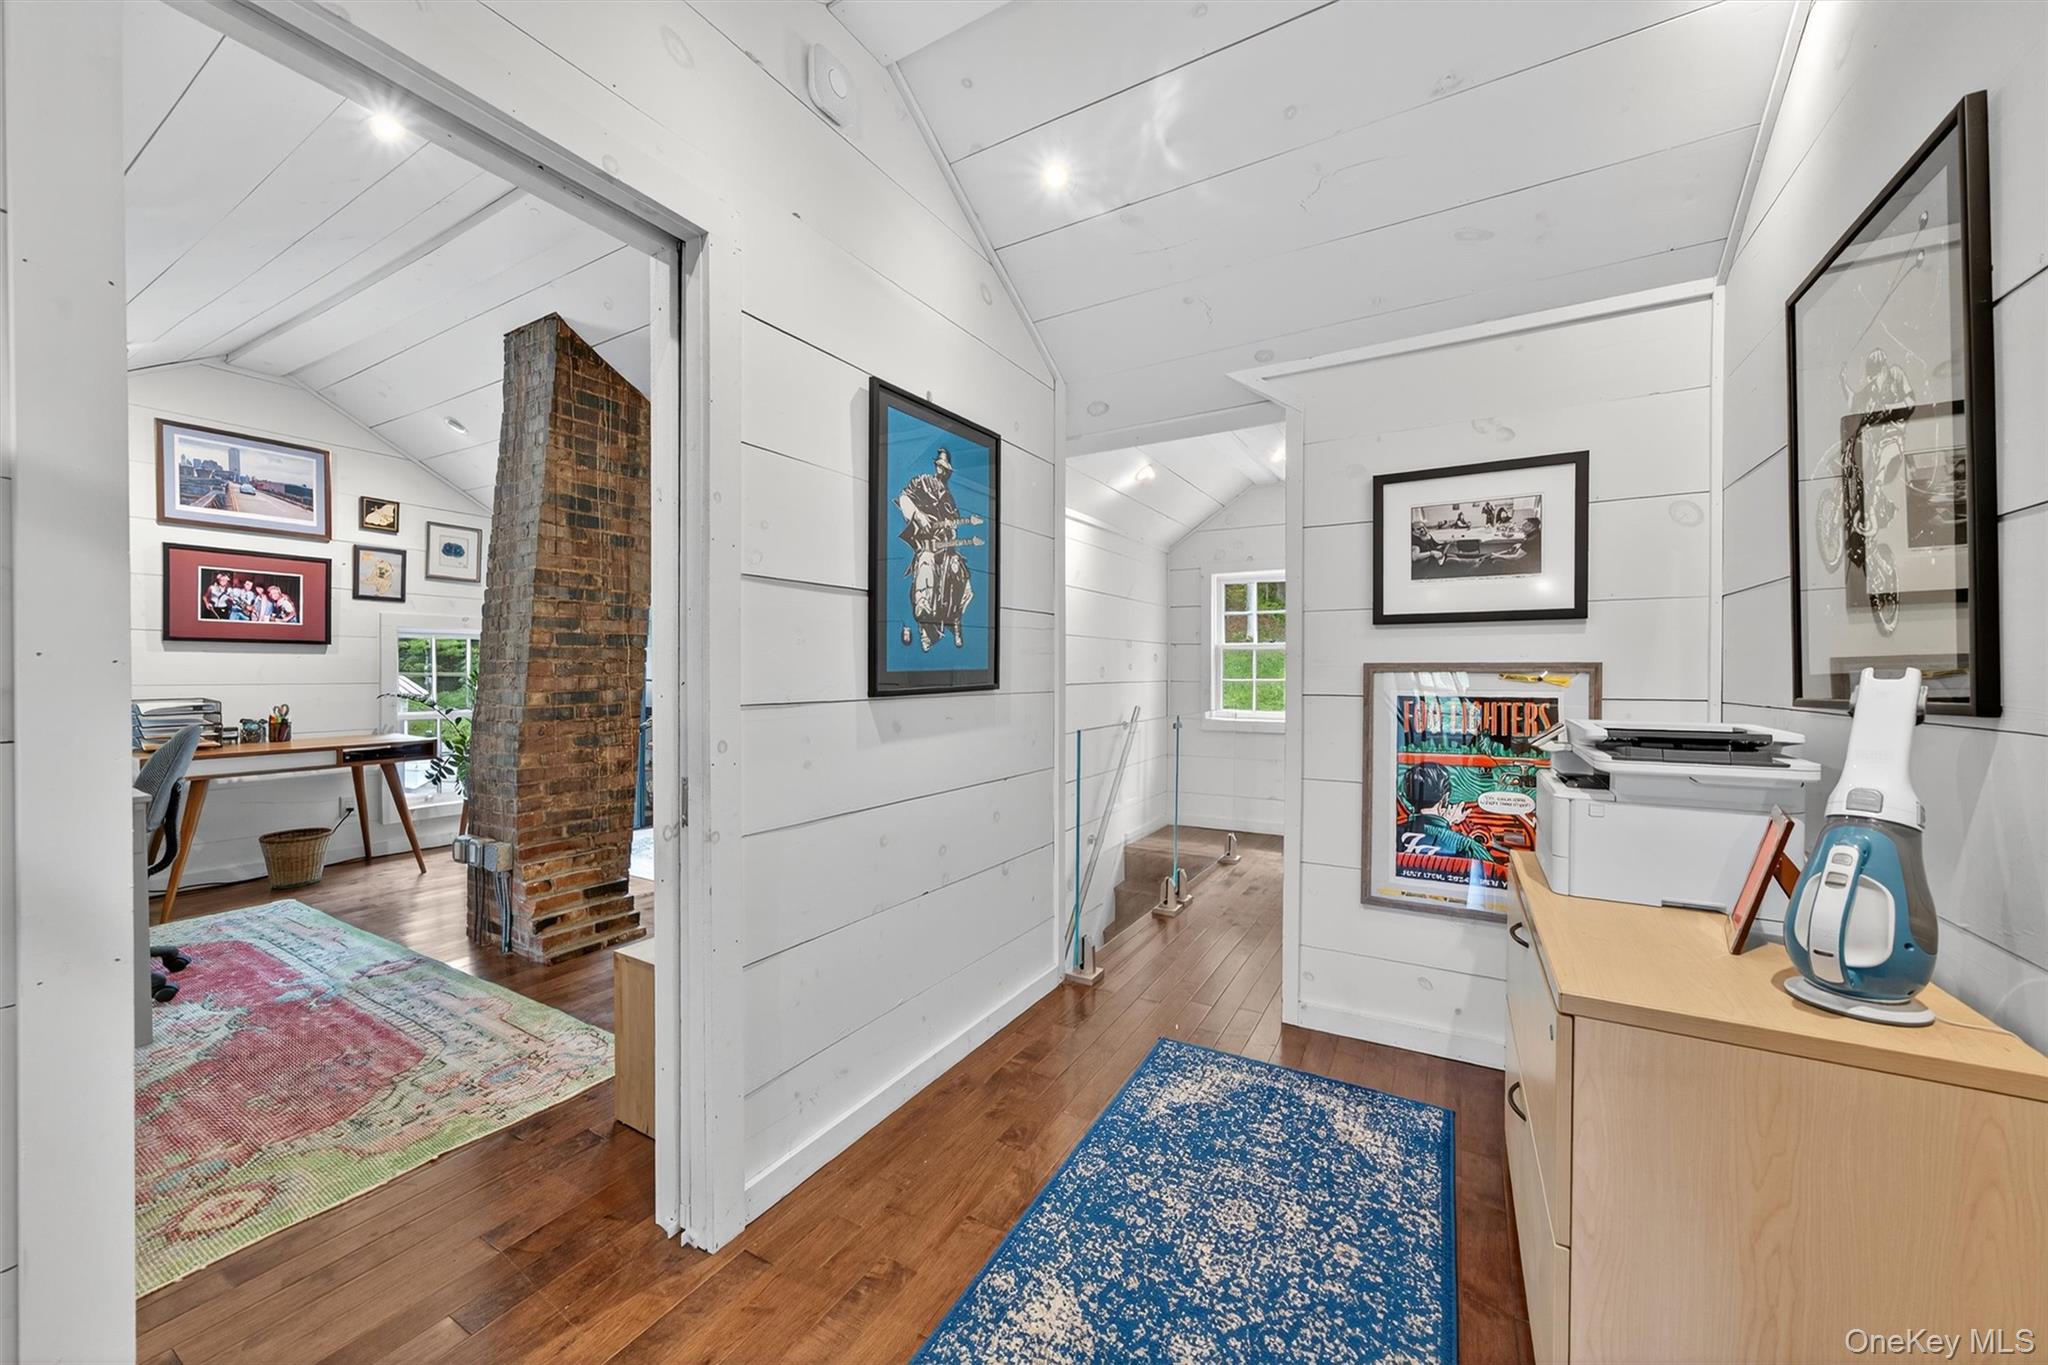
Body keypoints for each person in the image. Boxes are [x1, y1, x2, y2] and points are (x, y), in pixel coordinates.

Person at [896, 446, 983, 651]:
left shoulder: (950, 501)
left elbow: (952, 529)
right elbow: (904, 498)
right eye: (941, 467)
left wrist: (954, 534)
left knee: (962, 579)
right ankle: (927, 628)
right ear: (937, 466)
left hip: (946, 551)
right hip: (927, 548)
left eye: (946, 469)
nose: (943, 471)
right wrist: (918, 516)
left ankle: (954, 621)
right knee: (926, 573)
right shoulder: (923, 482)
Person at [1395, 762, 1493, 864]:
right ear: (1445, 799)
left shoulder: (1393, 834)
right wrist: (1445, 825)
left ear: (1407, 796)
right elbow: (1491, 873)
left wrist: (1445, 824)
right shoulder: (1465, 846)